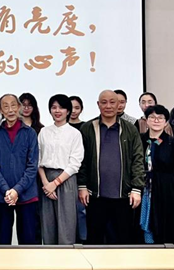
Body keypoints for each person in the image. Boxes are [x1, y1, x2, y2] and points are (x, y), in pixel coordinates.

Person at [76, 90, 144, 244]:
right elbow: (82, 160)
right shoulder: (87, 128)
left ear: (118, 104)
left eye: (112, 102)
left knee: (123, 240)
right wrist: (82, 185)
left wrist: (136, 188)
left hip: (124, 195)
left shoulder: (130, 129)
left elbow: (138, 159)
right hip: (95, 195)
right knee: (95, 240)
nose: (108, 106)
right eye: (104, 102)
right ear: (98, 105)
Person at [0, 94, 40, 245]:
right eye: (6, 106)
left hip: (27, 194)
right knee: (4, 239)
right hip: (2, 195)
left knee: (28, 240)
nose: (10, 110)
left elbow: (32, 166)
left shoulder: (30, 133)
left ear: (19, 107)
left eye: (13, 105)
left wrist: (17, 190)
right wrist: (7, 190)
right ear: (0, 110)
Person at [38, 95, 83, 245]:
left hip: (66, 179)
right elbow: (38, 160)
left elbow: (75, 163)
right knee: (48, 226)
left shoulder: (74, 133)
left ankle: (66, 258)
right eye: (54, 107)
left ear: (68, 111)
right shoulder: (44, 132)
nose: (57, 111)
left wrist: (55, 183)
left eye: (61, 107)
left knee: (66, 226)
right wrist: (46, 183)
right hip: (46, 180)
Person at [138, 105, 174, 244]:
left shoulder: (172, 142)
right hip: (143, 189)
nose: (156, 120)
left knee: (163, 225)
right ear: (146, 120)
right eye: (152, 117)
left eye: (160, 118)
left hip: (166, 190)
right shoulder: (140, 140)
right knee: (143, 223)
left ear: (166, 122)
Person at [68, 95, 87, 243]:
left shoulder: (86, 127)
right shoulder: (60, 128)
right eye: (71, 108)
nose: (74, 111)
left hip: (81, 174)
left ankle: (82, 241)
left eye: (77, 108)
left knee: (82, 211)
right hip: (64, 176)